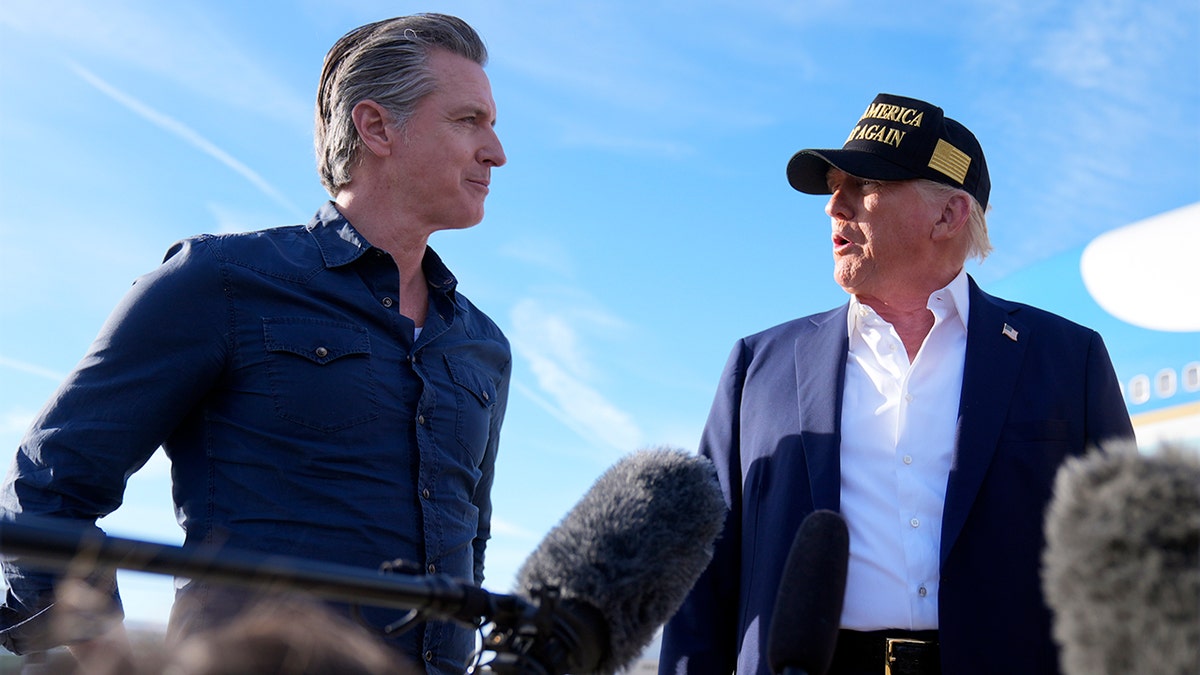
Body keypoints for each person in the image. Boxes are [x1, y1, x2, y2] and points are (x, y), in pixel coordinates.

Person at [0, 13, 510, 675]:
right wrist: (118, 662)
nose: (495, 151)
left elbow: (471, 545)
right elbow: (48, 489)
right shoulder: (218, 282)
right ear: (378, 126)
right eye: (469, 120)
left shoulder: (482, 346)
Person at [659, 93, 1135, 675]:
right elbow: (702, 578)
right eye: (834, 187)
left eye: (863, 185)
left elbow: (1126, 566)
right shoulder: (757, 367)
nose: (835, 207)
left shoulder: (1068, 357)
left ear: (949, 214)